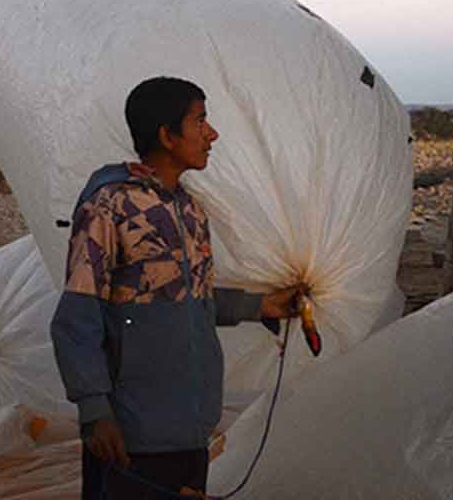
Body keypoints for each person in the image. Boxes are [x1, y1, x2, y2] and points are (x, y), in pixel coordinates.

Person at [51, 76, 302, 499]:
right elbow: (76, 318)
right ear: (167, 135)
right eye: (200, 120)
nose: (212, 133)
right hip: (133, 429)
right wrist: (94, 411)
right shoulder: (110, 206)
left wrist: (261, 306)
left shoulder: (188, 208)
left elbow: (187, 298)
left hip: (190, 426)